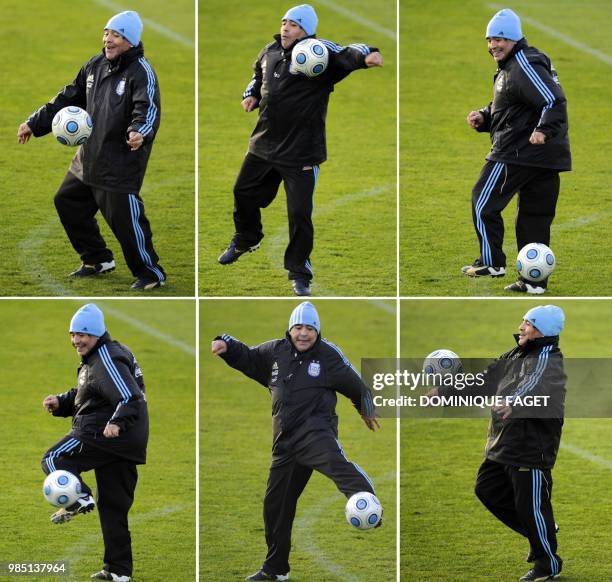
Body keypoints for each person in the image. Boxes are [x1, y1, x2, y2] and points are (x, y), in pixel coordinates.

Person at [217, 4, 383, 297]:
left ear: (306, 31)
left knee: (299, 214)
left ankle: (299, 273)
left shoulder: (319, 53)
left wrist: (367, 53)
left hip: (302, 154)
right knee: (242, 192)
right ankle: (246, 238)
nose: (286, 28)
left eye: (294, 24)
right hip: (264, 144)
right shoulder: (269, 50)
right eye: (284, 22)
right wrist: (251, 94)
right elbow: (258, 73)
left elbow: (347, 51)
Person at [211, 301, 381, 581]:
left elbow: (356, 385)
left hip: (316, 431)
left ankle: (367, 502)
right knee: (275, 506)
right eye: (298, 327)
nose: (303, 333)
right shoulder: (275, 351)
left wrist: (366, 409)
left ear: (318, 331)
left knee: (336, 463)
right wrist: (226, 344)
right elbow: (249, 358)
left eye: (309, 328)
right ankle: (275, 569)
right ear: (290, 330)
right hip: (284, 442)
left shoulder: (328, 356)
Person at [18, 11, 166, 290]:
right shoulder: (95, 65)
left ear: (131, 41)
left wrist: (138, 132)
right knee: (67, 202)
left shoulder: (141, 72)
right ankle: (97, 259)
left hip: (119, 164)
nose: (108, 40)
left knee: (126, 223)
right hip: (87, 159)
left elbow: (147, 110)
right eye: (107, 33)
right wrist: (33, 123)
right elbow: (67, 97)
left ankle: (151, 273)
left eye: (116, 35)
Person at [434, 305, 566, 581]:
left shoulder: (547, 359)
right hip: (503, 443)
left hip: (531, 449)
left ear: (542, 331)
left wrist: (513, 402)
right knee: (487, 489)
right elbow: (485, 380)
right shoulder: (515, 354)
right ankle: (542, 530)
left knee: (530, 507)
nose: (521, 327)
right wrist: (445, 392)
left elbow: (533, 384)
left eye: (528, 323)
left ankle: (547, 563)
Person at [462, 8, 571, 295]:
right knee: (534, 218)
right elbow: (515, 105)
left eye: (499, 38)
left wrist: (542, 130)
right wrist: (485, 117)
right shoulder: (517, 64)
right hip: (545, 157)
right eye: (489, 39)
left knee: (482, 201)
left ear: (513, 38)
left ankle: (492, 262)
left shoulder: (522, 64)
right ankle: (533, 282)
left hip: (518, 152)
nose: (493, 45)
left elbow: (554, 101)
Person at [41, 304, 149, 582]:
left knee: (53, 459)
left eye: (82, 334)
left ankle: (80, 497)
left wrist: (116, 423)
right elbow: (93, 392)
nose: (76, 340)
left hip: (106, 435)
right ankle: (118, 571)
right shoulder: (101, 355)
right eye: (73, 334)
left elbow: (130, 397)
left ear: (97, 334)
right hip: (125, 442)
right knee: (113, 508)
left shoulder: (107, 358)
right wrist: (63, 402)